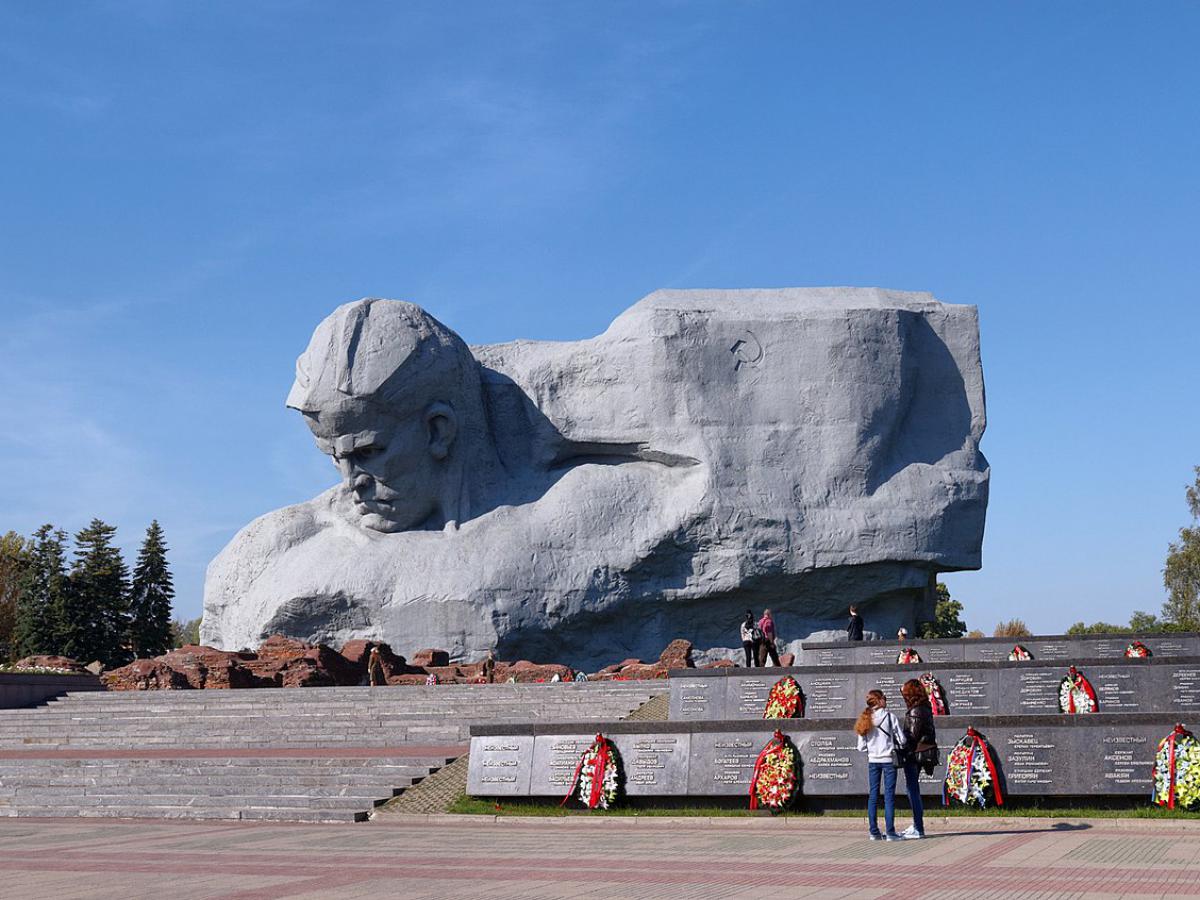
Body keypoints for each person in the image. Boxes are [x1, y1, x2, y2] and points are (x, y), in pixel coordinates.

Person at [854, 689, 906, 841]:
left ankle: (874, 832)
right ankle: (890, 832)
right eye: (885, 698)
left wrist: (872, 749)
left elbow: (861, 747)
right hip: (888, 761)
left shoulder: (865, 719)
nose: (886, 700)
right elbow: (902, 740)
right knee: (889, 797)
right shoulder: (890, 717)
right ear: (880, 700)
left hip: (873, 761)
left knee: (873, 796)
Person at [899, 678, 936, 840]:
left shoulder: (916, 711)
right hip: (918, 752)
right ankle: (916, 825)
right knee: (912, 789)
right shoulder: (924, 707)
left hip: (914, 754)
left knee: (912, 790)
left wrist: (899, 743)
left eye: (905, 693)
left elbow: (912, 736)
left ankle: (918, 827)